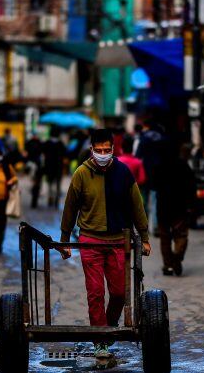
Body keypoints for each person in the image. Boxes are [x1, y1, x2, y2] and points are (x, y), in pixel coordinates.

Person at [59, 129, 150, 359]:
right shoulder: (81, 173)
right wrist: (64, 239)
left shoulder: (123, 173)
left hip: (119, 241)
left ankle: (107, 329)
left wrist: (145, 237)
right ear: (91, 150)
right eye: (98, 150)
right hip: (90, 240)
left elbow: (137, 206)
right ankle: (100, 340)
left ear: (113, 149)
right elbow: (70, 208)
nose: (102, 154)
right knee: (96, 292)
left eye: (106, 150)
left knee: (119, 292)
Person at [154, 143, 196, 276]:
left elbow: (154, 185)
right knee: (181, 235)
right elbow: (191, 186)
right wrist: (191, 205)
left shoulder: (159, 166)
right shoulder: (183, 165)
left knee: (165, 238)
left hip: (163, 208)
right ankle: (177, 256)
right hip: (180, 208)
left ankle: (168, 265)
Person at [42, 129, 67, 208]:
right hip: (58, 167)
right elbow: (65, 154)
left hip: (49, 166)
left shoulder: (47, 143)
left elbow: (43, 153)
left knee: (50, 183)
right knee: (57, 183)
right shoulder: (61, 144)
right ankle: (56, 198)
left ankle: (50, 197)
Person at [24, 135, 43, 209]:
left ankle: (34, 189)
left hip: (32, 164)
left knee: (34, 181)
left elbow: (26, 154)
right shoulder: (39, 143)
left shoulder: (29, 143)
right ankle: (35, 190)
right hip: (37, 165)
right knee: (36, 182)